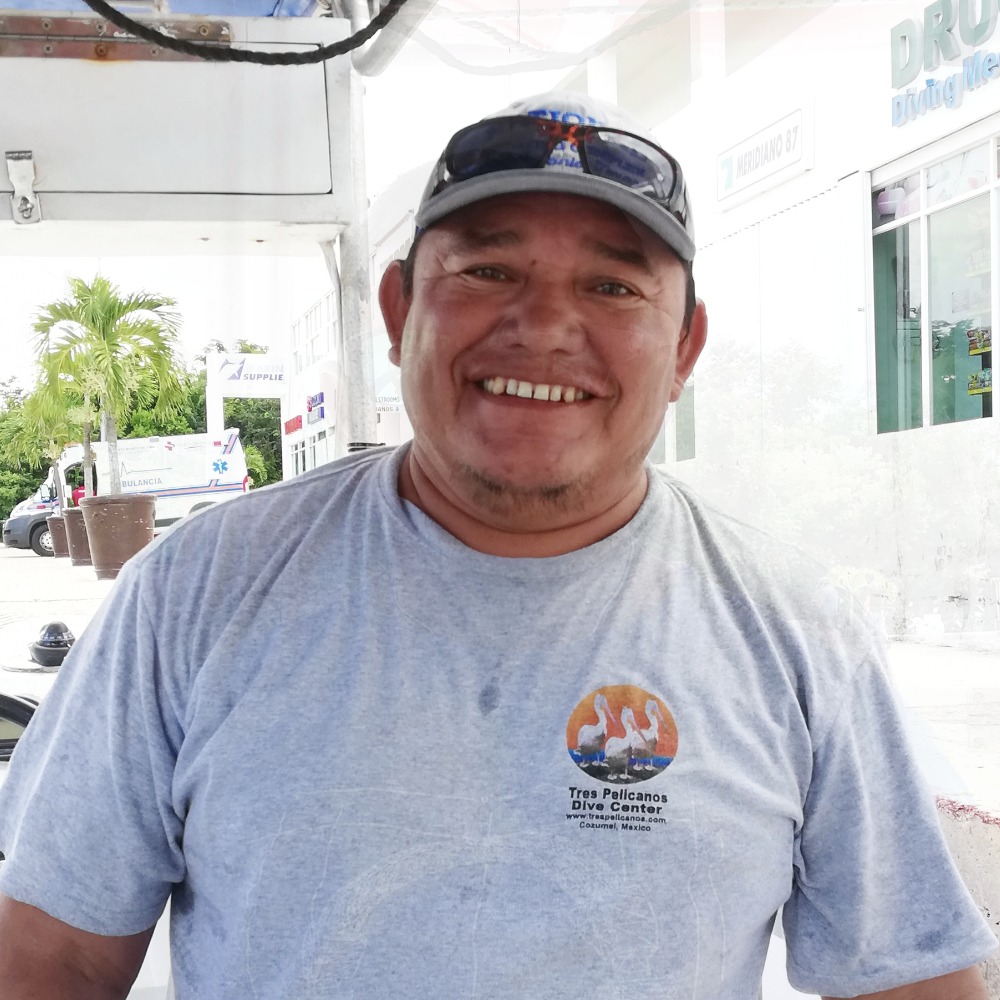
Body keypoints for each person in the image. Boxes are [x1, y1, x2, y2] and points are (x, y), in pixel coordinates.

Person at [0, 92, 995, 1000]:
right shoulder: (196, 592)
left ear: (685, 347)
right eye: (488, 269)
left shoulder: (795, 631)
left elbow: (912, 981)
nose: (544, 325)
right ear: (398, 312)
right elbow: (50, 958)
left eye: (612, 286)